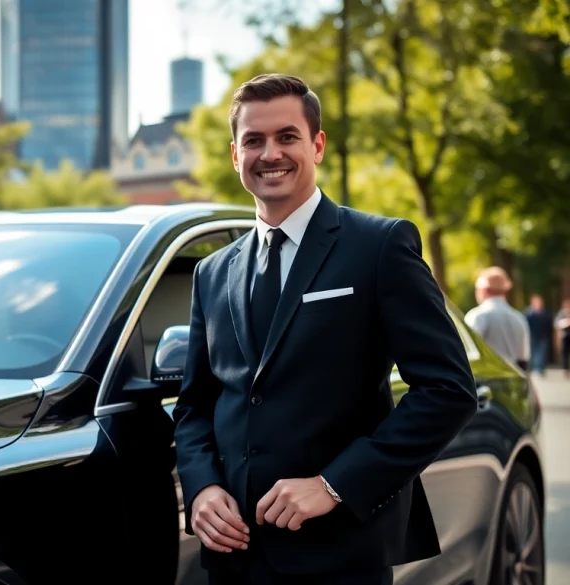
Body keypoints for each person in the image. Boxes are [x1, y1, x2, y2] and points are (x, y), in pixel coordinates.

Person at [171, 74, 477, 585]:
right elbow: (196, 405)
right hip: (234, 557)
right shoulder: (212, 272)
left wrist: (334, 484)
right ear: (234, 154)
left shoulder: (380, 246)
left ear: (317, 145)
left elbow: (448, 390)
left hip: (341, 552)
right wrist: (201, 487)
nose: (270, 153)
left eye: (287, 136)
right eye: (254, 140)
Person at [463, 267, 530, 370]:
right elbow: (523, 358)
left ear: (484, 290)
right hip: (513, 376)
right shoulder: (519, 318)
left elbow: (466, 352)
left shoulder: (477, 316)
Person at [523, 294, 553, 375]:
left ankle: (539, 368)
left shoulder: (545, 313)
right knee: (532, 352)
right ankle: (532, 367)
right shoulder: (528, 313)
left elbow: (549, 325)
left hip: (542, 336)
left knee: (541, 352)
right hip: (532, 335)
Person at [556, 299, 570, 378]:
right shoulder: (561, 313)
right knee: (564, 353)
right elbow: (557, 323)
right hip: (564, 336)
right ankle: (565, 369)